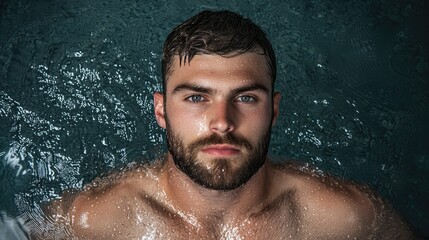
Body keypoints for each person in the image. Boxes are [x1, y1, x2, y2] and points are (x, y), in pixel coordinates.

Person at [40, 10, 414, 239]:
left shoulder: (349, 219)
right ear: (160, 111)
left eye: (246, 98)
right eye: (196, 97)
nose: (222, 122)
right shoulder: (87, 222)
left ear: (274, 110)